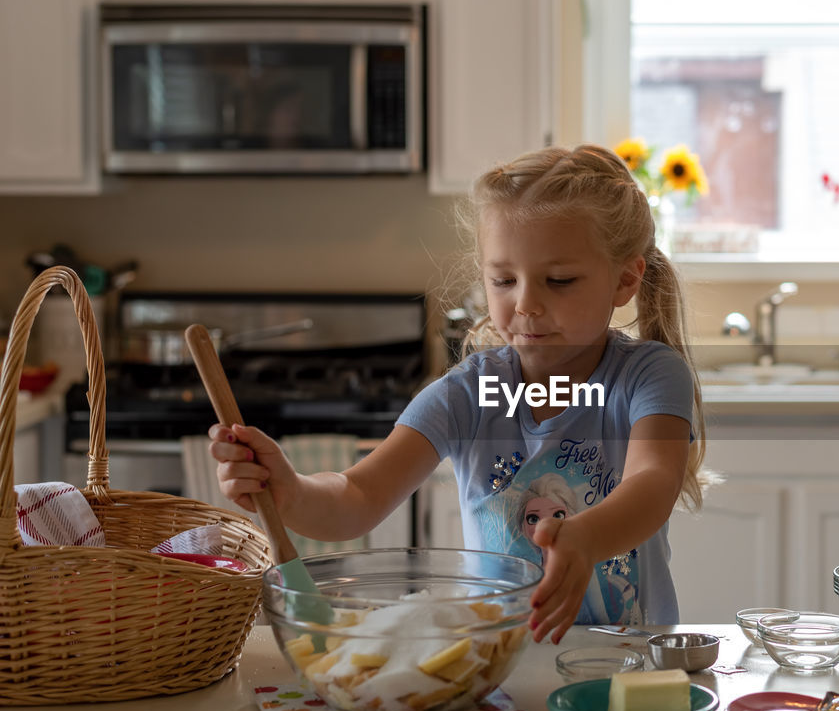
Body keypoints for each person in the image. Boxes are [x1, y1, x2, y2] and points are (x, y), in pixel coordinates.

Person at [207, 144, 708, 644]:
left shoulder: (649, 376)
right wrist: (290, 491)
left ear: (624, 280)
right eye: (504, 279)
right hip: (503, 661)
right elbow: (358, 496)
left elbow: (652, 483)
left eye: (559, 281)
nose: (527, 303)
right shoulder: (468, 394)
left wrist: (584, 537)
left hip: (632, 660)